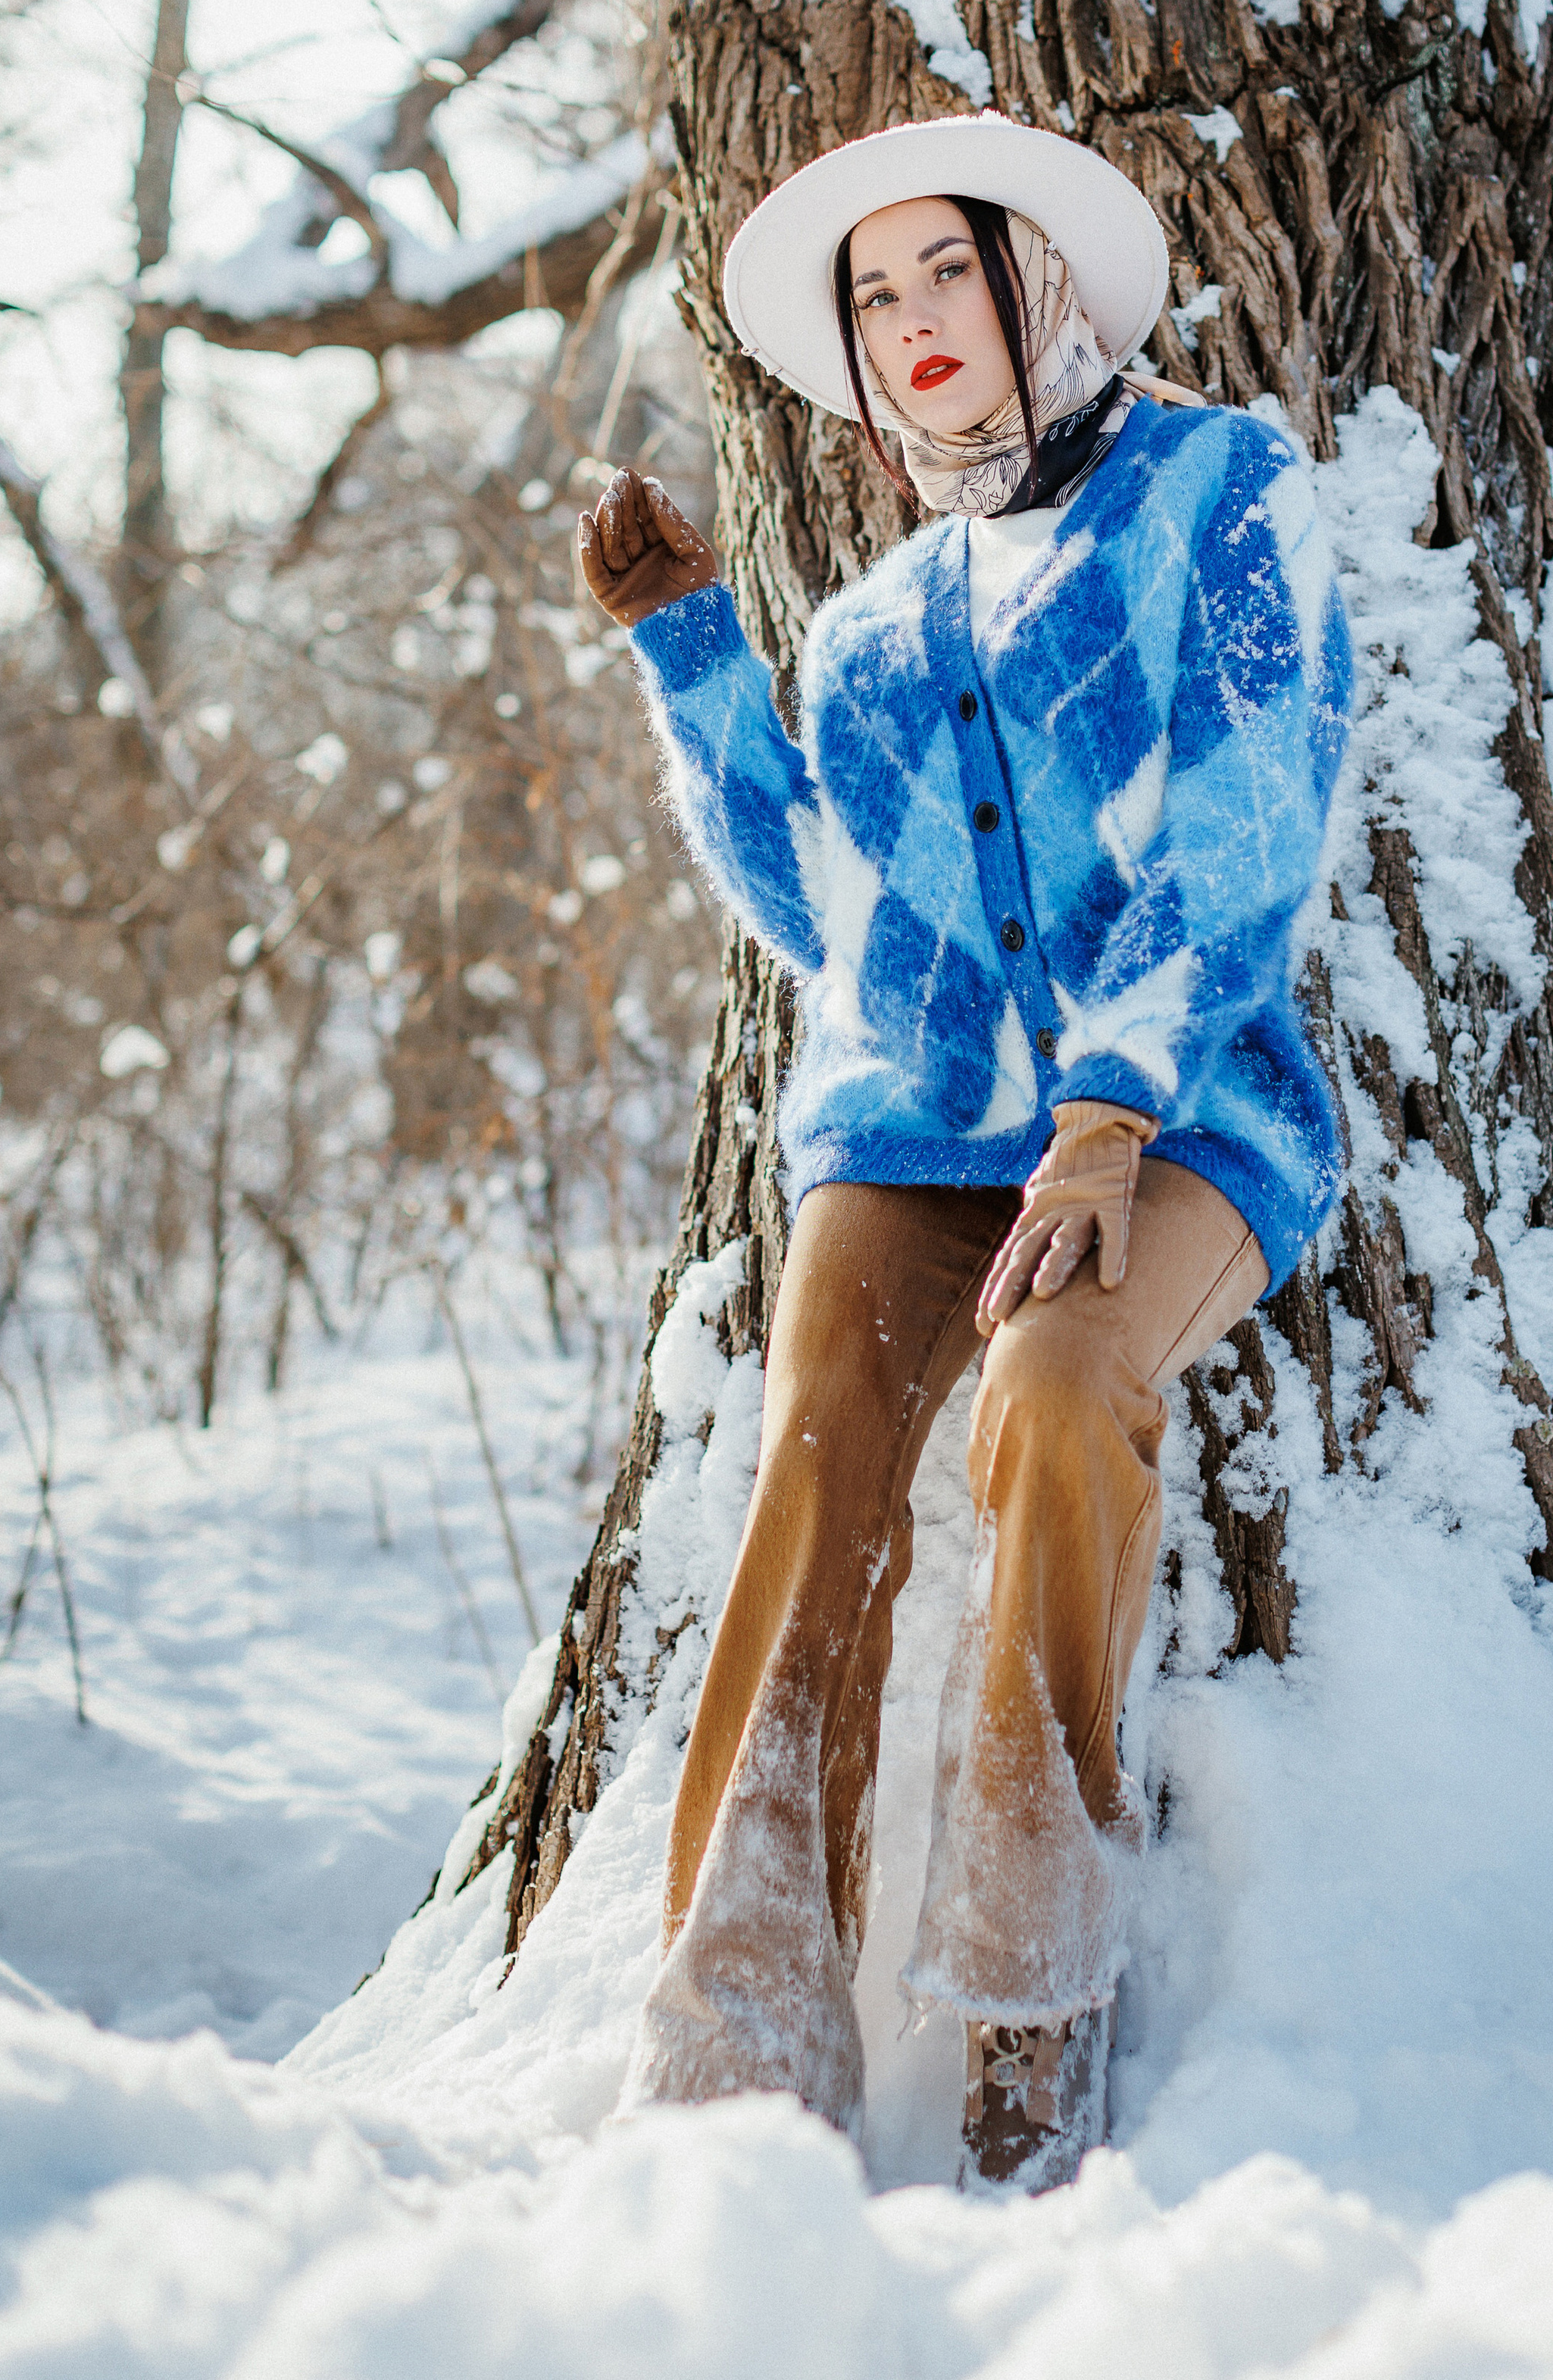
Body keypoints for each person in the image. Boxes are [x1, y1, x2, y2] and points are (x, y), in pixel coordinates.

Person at [577, 112, 1351, 2190]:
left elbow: (1250, 806)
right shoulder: (884, 625)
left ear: (1045, 281)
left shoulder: (1221, 494)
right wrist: (693, 656)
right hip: (913, 1127)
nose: (912, 322)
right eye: (873, 293)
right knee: (822, 1441)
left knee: (1063, 1384)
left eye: (948, 270)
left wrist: (1107, 1107)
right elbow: (836, 908)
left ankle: (1031, 2024)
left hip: (1181, 1111)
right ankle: (735, 2061)